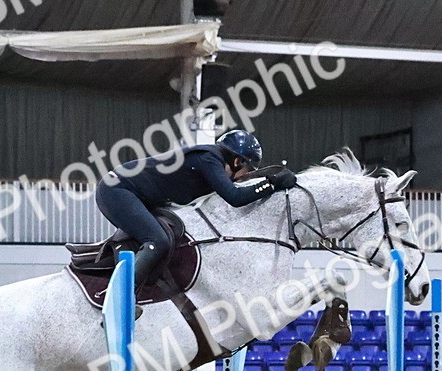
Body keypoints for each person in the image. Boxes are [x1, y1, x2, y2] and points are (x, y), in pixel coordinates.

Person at [95, 130, 297, 309]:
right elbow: (235, 197)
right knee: (157, 240)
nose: (246, 175)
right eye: (248, 170)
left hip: (133, 194)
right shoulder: (209, 159)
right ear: (238, 162)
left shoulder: (211, 161)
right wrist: (272, 184)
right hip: (117, 190)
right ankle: (120, 299)